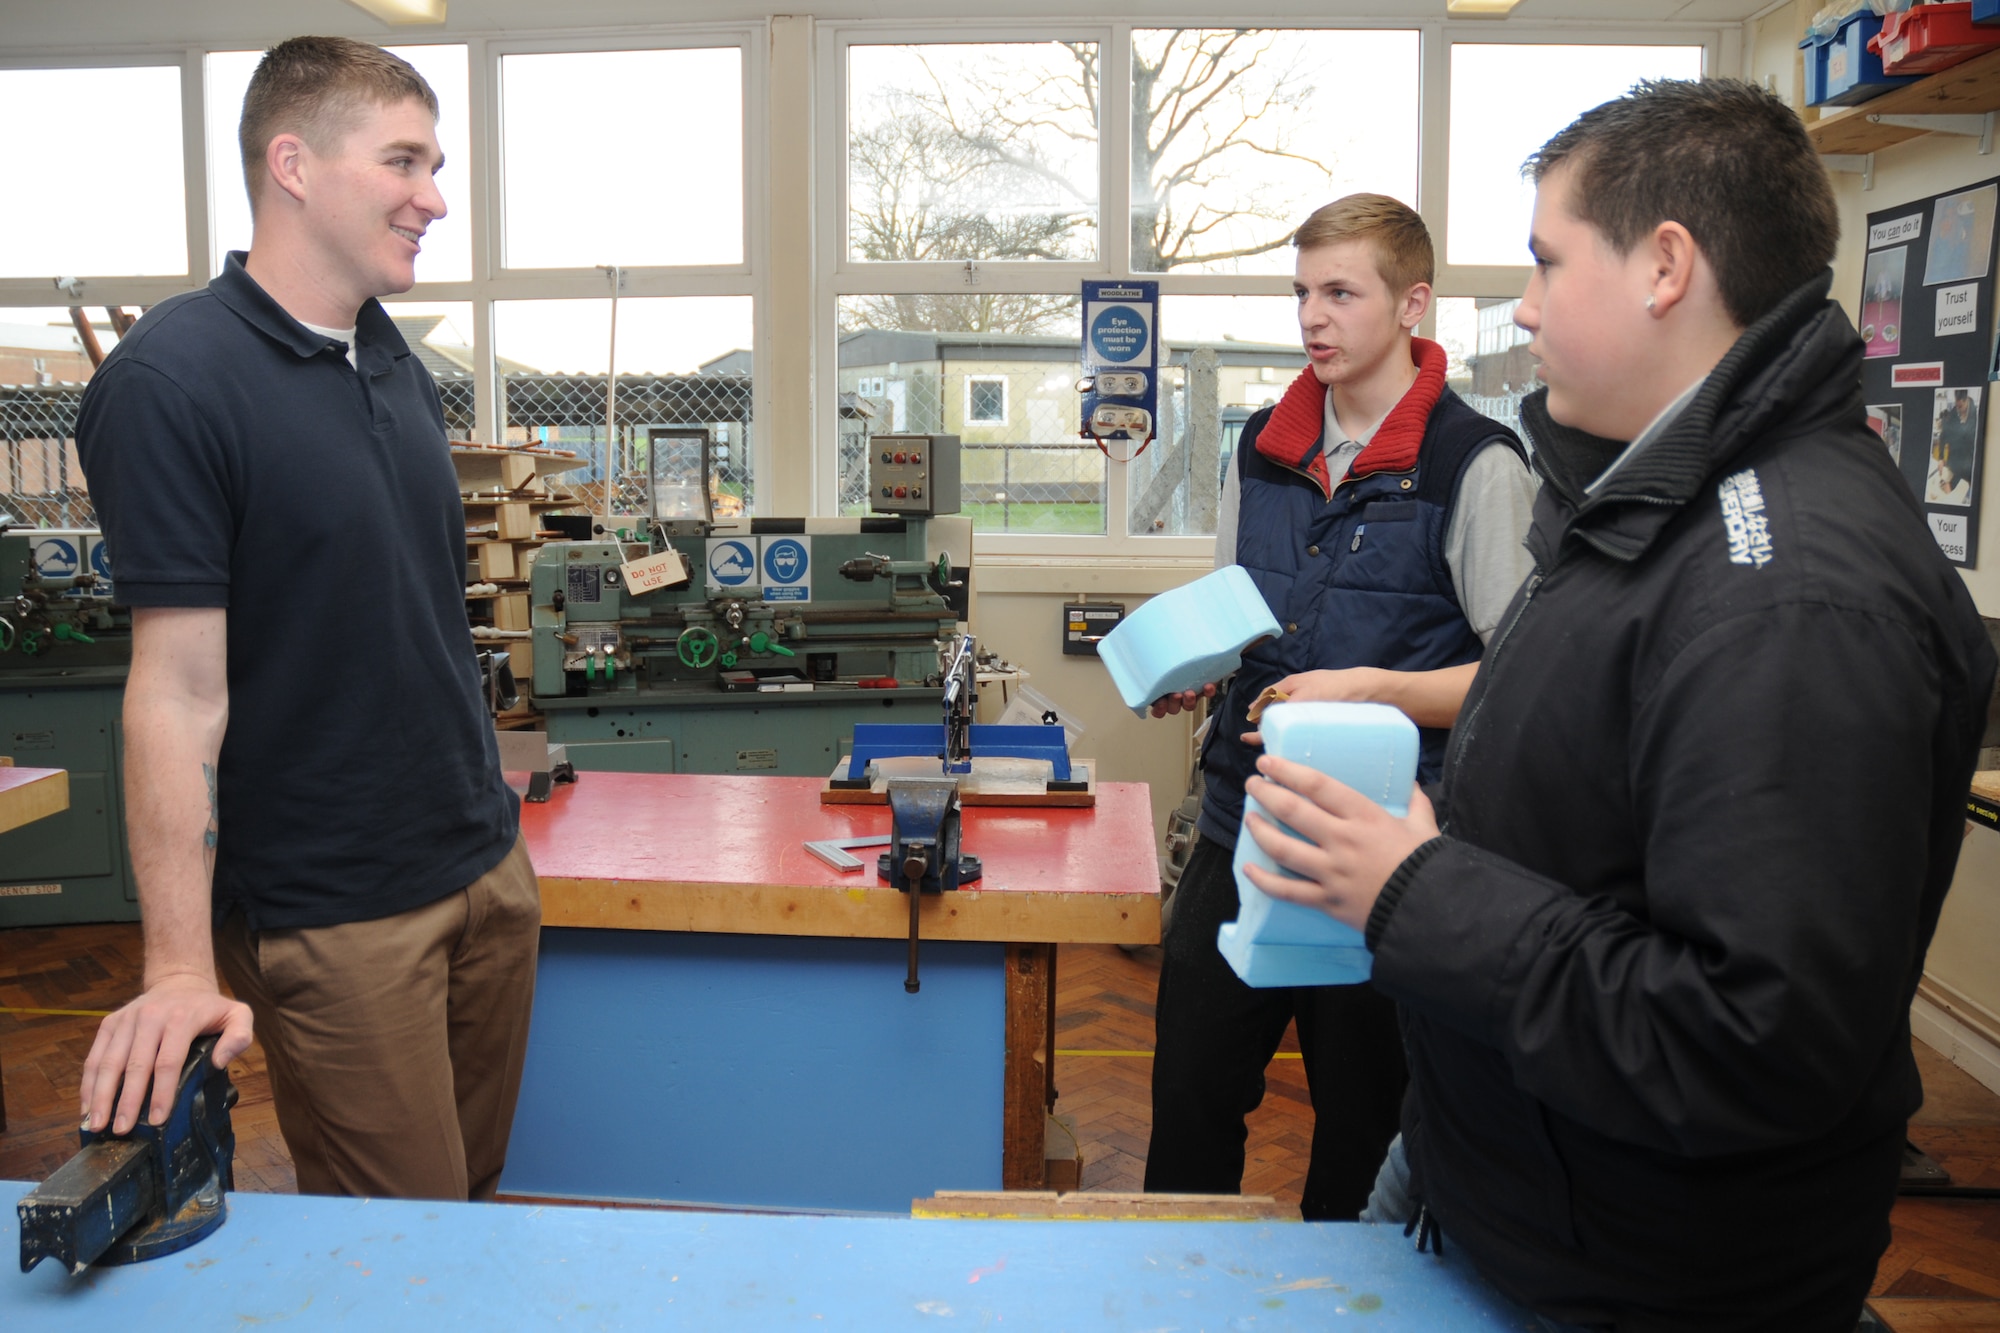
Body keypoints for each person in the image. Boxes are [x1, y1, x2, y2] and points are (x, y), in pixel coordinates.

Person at [1239, 80, 1996, 1330]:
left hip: (1629, 1269)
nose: (1524, 307)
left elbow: (1744, 1039)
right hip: (1491, 1172)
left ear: (1663, 267)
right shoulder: (1650, 499)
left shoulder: (1789, 598)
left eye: (1546, 261)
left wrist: (1414, 887)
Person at [75, 36, 538, 1201]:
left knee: (473, 1204)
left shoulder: (390, 359)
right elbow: (175, 691)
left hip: (483, 865)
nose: (434, 198)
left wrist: (498, 834)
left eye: (434, 165)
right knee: (405, 1247)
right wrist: (178, 965)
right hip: (339, 912)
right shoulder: (171, 381)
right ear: (293, 161)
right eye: (404, 161)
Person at [1143, 194, 1539, 1220]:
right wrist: (1199, 665)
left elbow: (1519, 681)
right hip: (1242, 825)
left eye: (1339, 292)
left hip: (1382, 851)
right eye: (1300, 293)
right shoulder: (1260, 449)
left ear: (1412, 302)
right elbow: (1240, 609)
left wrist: (1374, 688)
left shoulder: (1476, 467)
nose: (1312, 318)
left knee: (1362, 1127)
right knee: (1187, 1104)